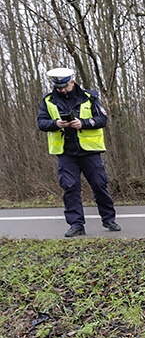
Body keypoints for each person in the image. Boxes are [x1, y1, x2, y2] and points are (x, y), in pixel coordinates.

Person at [37, 67, 120, 237]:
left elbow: (102, 119)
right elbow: (41, 122)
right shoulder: (49, 100)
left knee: (99, 184)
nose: (62, 90)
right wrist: (56, 124)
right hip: (66, 152)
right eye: (59, 87)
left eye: (65, 86)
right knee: (70, 188)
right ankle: (76, 225)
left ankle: (109, 219)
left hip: (89, 151)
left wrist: (83, 123)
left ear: (72, 82)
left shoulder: (90, 97)